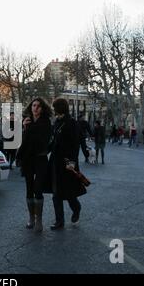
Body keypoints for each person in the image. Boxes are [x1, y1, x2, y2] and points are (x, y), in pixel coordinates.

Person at [48, 98, 87, 230]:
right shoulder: (57, 122)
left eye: (54, 107)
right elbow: (53, 141)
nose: (53, 110)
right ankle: (60, 221)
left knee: (69, 193)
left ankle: (76, 208)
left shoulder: (72, 123)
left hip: (67, 163)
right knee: (56, 193)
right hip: (56, 163)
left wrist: (71, 163)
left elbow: (75, 145)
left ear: (59, 108)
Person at [16, 98, 52, 233]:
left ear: (42, 109)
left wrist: (28, 128)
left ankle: (39, 220)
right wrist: (24, 128)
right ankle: (31, 218)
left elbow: (41, 141)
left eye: (38, 106)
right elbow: (24, 141)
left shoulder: (46, 122)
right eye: (33, 106)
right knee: (29, 188)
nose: (35, 108)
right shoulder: (27, 121)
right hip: (28, 159)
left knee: (38, 189)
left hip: (41, 158)